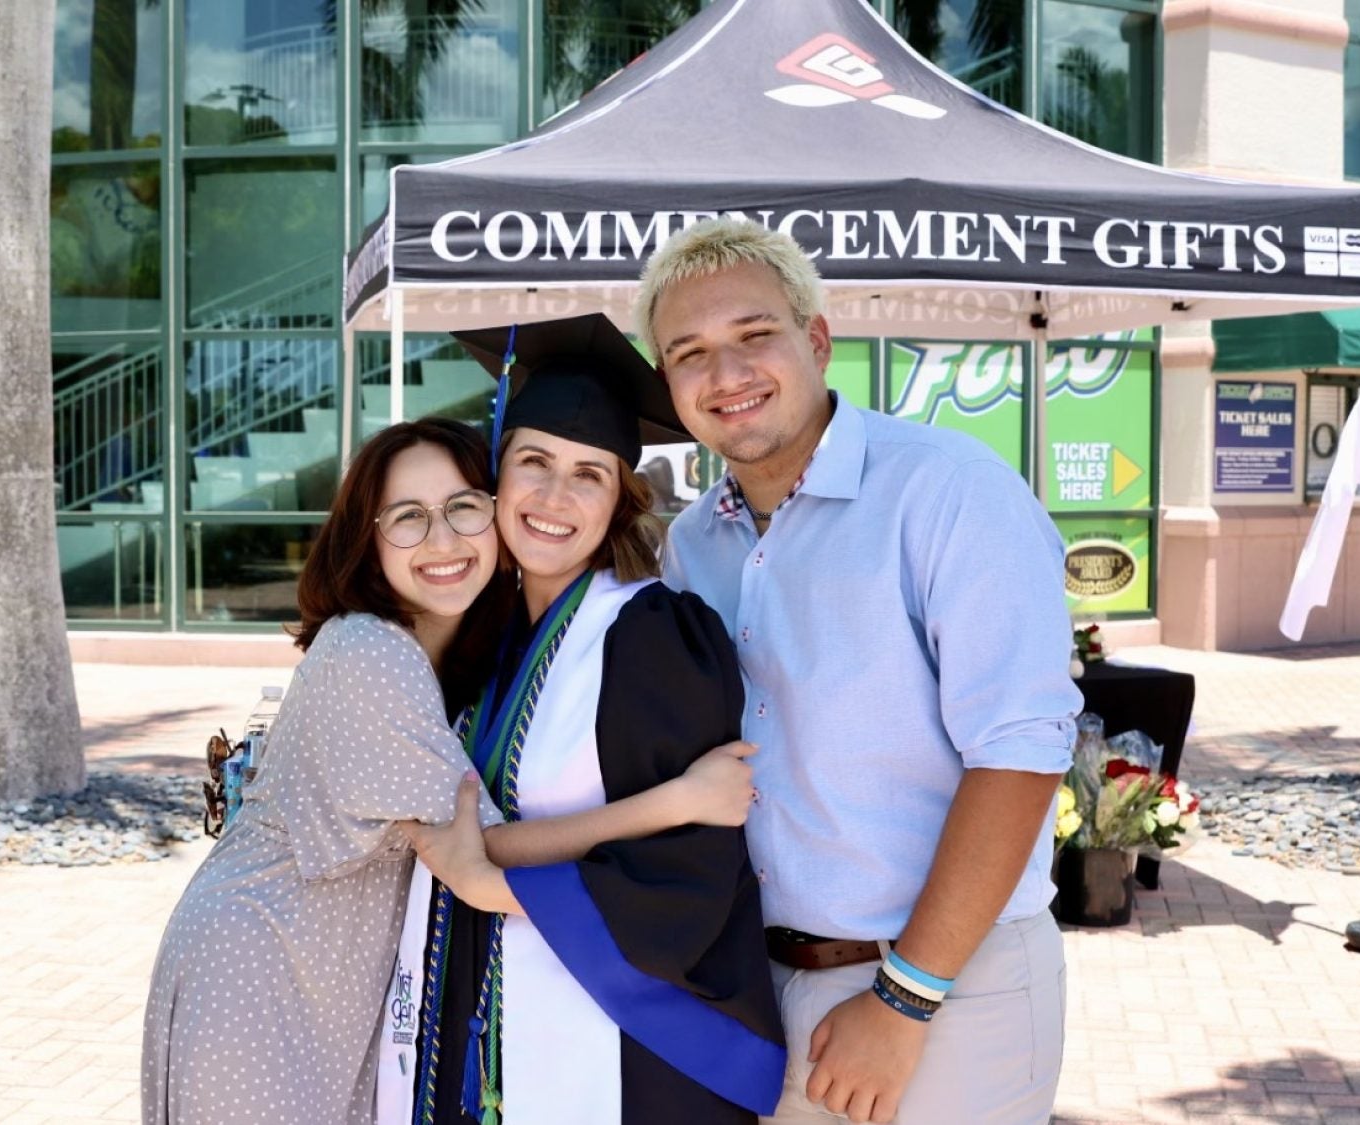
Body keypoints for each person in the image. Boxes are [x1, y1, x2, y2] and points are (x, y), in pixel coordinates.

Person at [140, 418, 757, 1125]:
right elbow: (478, 844)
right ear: (366, 538)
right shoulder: (372, 653)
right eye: (408, 517)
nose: (442, 540)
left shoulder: (461, 655)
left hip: (328, 981)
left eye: (464, 506)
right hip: (262, 970)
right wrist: (677, 800)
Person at [632, 218, 1083, 1125]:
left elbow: (1024, 753)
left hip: (944, 987)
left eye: (754, 335)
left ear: (818, 339)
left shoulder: (947, 492)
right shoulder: (692, 544)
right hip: (762, 984)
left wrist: (907, 996)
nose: (726, 375)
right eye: (690, 353)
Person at [382, 315, 786, 1125]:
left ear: (618, 501)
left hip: (634, 1055)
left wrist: (489, 884)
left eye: (588, 474)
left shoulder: (651, 636)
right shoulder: (482, 642)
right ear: (494, 475)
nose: (555, 498)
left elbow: (687, 878)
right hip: (491, 1021)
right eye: (534, 462)